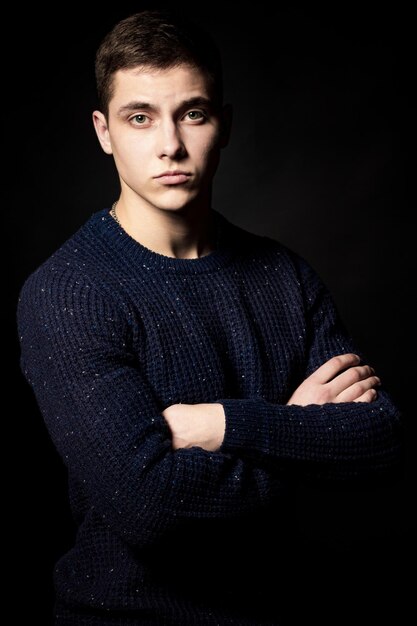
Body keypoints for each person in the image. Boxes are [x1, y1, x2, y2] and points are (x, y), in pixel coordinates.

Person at [17, 9, 401, 626]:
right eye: (139, 118)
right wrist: (298, 432)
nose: (169, 144)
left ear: (222, 123)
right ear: (104, 131)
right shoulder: (68, 292)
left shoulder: (285, 274)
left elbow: (381, 440)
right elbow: (149, 508)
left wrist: (221, 424)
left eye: (191, 113)